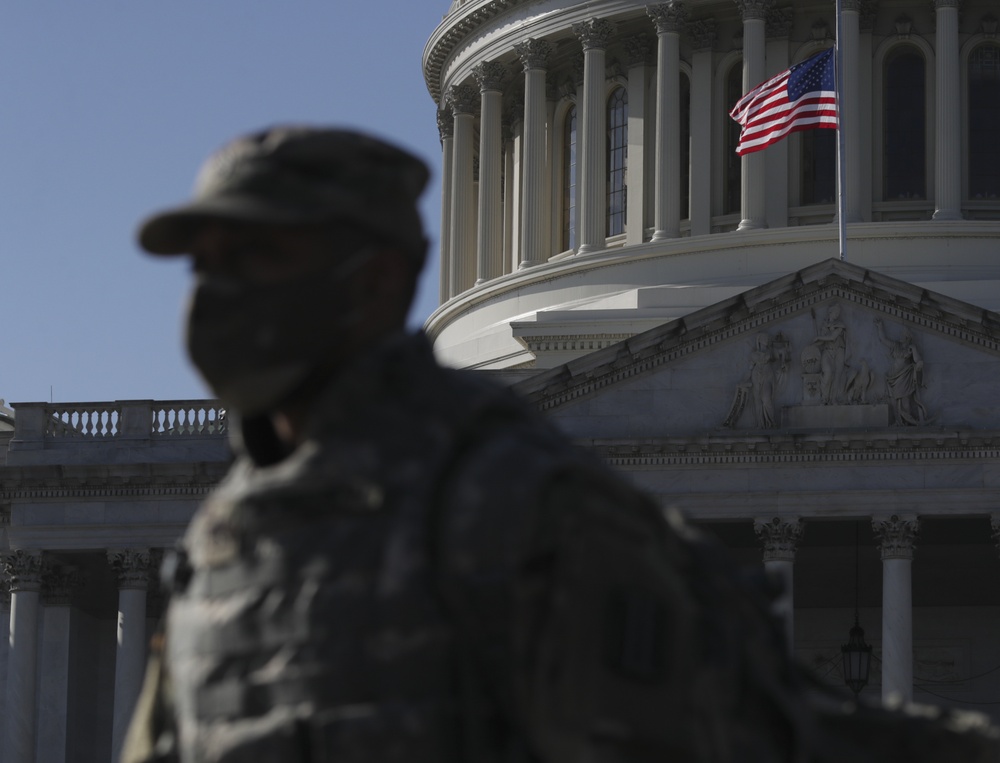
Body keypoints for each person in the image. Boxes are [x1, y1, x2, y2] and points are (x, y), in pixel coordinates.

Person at [123, 126, 999, 763]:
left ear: (377, 277)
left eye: (258, 259)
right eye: (206, 264)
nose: (215, 296)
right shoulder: (223, 536)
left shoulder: (524, 506)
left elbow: (745, 732)